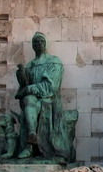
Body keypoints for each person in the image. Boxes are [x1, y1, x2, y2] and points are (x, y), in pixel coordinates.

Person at [15, 32, 68, 160]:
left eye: (41, 41)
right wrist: (22, 76)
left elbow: (50, 87)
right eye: (36, 42)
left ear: (45, 44)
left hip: (49, 99)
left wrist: (28, 88)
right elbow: (23, 89)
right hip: (32, 99)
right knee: (29, 100)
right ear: (33, 46)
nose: (39, 44)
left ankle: (30, 146)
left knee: (32, 101)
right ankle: (31, 136)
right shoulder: (30, 65)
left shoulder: (54, 61)